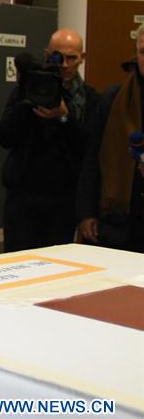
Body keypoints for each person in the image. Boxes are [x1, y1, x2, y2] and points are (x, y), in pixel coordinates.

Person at [0, 28, 100, 251]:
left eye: (72, 58)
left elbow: (89, 148)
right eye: (57, 57)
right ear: (46, 54)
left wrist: (63, 117)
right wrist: (26, 102)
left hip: (63, 199)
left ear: (82, 58)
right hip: (22, 195)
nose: (64, 64)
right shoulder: (26, 90)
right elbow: (3, 136)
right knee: (16, 265)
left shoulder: (90, 98)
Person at [76, 25, 144, 253]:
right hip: (119, 223)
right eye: (143, 52)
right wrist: (86, 213)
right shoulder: (113, 98)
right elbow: (92, 158)